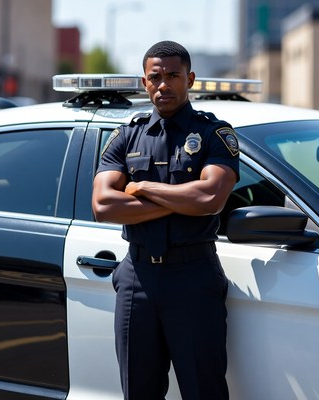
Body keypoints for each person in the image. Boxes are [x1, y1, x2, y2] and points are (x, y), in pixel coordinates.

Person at [92, 40, 239, 400]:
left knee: (203, 392)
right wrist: (182, 199)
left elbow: (209, 198)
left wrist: (140, 187)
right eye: (155, 77)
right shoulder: (127, 135)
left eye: (173, 76)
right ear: (144, 82)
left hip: (193, 278)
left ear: (189, 79)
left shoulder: (213, 134)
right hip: (136, 279)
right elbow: (102, 205)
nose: (163, 85)